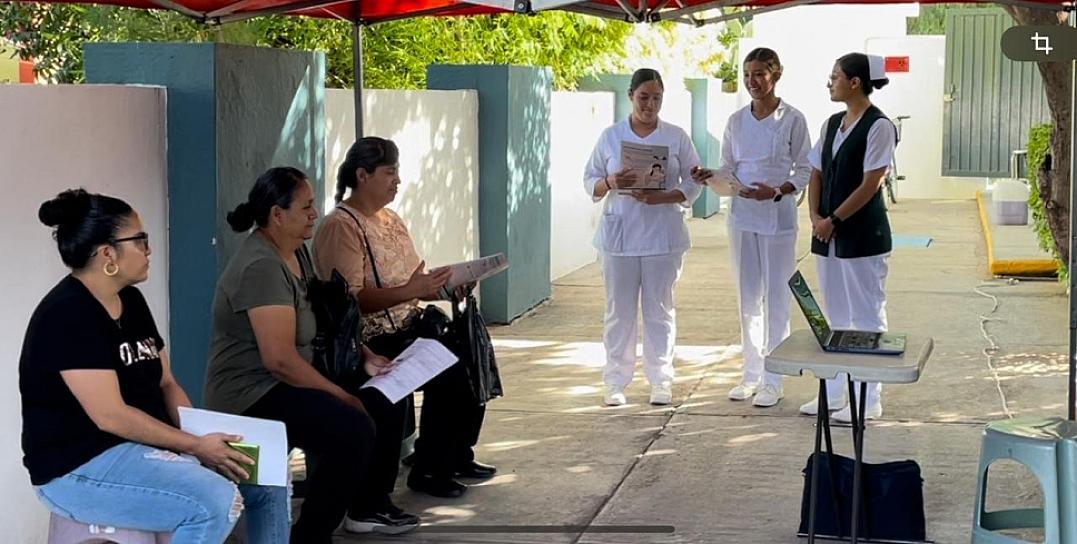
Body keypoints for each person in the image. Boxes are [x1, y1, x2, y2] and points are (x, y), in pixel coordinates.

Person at [20, 189, 288, 544]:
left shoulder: (130, 299)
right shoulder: (68, 314)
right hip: (79, 468)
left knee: (267, 480)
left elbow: (166, 383)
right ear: (107, 254)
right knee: (214, 502)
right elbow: (111, 416)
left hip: (143, 449)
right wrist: (194, 447)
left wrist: (200, 438)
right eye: (140, 240)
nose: (149, 249)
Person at [205, 167, 419, 543]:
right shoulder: (262, 266)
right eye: (306, 207)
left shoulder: (295, 251)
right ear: (277, 214)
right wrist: (340, 395)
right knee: (352, 426)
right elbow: (279, 360)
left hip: (292, 376)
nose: (314, 215)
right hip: (254, 393)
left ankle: (367, 506)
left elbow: (323, 316)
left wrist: (363, 353)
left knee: (384, 397)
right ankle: (312, 535)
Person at [313, 137, 495, 500]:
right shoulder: (342, 226)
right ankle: (430, 468)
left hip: (408, 324)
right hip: (372, 339)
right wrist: (413, 290)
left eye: (397, 172)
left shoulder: (390, 219)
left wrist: (446, 288)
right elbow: (350, 302)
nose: (397, 181)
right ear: (362, 175)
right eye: (389, 173)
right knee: (450, 372)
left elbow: (413, 283)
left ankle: (453, 455)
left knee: (471, 358)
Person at [696, 48, 811, 408]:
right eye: (747, 74)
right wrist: (710, 176)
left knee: (776, 297)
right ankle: (750, 373)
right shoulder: (735, 121)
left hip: (777, 216)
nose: (752, 81)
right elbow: (729, 167)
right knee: (748, 298)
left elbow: (806, 170)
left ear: (776, 75)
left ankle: (774, 380)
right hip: (742, 215)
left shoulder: (792, 119)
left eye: (760, 74)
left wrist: (777, 190)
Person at [584, 68, 704, 407]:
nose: (650, 105)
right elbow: (589, 181)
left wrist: (664, 196)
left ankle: (661, 380)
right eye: (643, 97)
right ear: (631, 96)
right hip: (619, 234)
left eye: (656, 98)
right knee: (618, 312)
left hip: (662, 234)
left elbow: (695, 180)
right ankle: (615, 381)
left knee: (660, 310)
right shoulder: (611, 136)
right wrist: (611, 182)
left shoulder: (677, 136)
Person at [800, 53, 896, 423]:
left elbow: (872, 182)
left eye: (835, 76)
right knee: (835, 316)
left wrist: (834, 218)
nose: (830, 81)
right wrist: (815, 216)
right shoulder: (831, 124)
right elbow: (816, 172)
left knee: (866, 314)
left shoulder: (879, 126)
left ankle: (869, 397)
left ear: (855, 82)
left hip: (861, 236)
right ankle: (836, 391)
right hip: (827, 234)